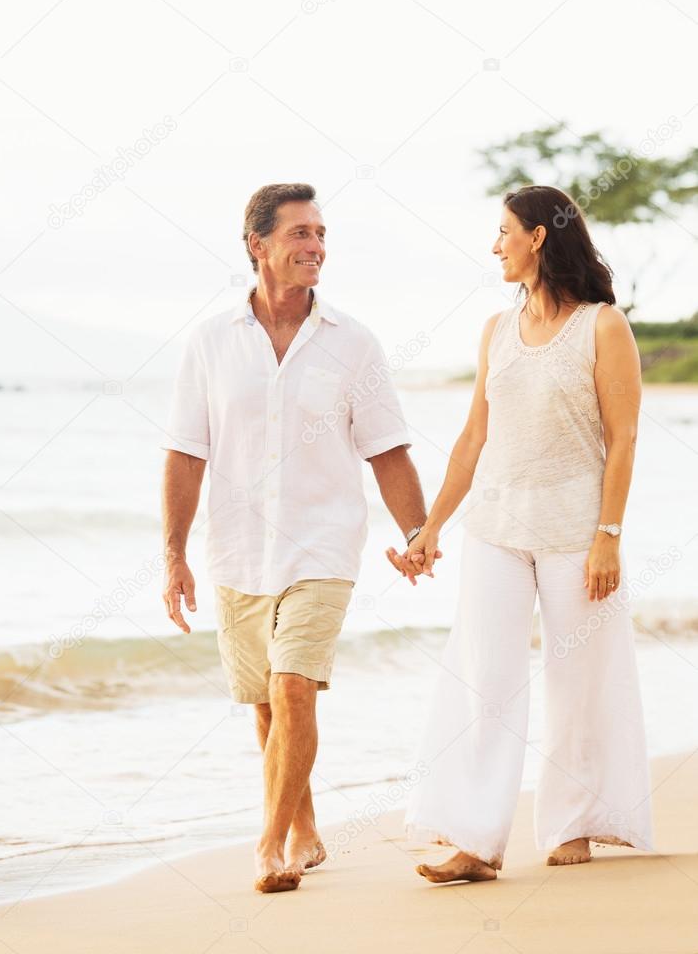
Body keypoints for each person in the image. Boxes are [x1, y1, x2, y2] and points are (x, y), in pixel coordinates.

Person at [161, 183, 429, 893]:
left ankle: (270, 843)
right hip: (238, 548)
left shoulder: (353, 342)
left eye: (320, 235)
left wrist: (418, 531)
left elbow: (387, 449)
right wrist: (173, 555)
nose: (315, 248)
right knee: (265, 701)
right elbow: (186, 452)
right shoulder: (210, 343)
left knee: (293, 688)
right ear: (257, 246)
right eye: (299, 235)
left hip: (323, 543)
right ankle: (305, 827)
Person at [387, 185, 654, 882]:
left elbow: (622, 438)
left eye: (503, 231)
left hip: (574, 532)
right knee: (486, 680)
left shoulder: (601, 326)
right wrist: (428, 528)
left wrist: (608, 536)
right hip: (495, 530)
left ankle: (575, 822)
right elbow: (474, 437)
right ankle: (475, 840)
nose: (494, 245)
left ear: (537, 237)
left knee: (579, 680)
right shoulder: (494, 330)